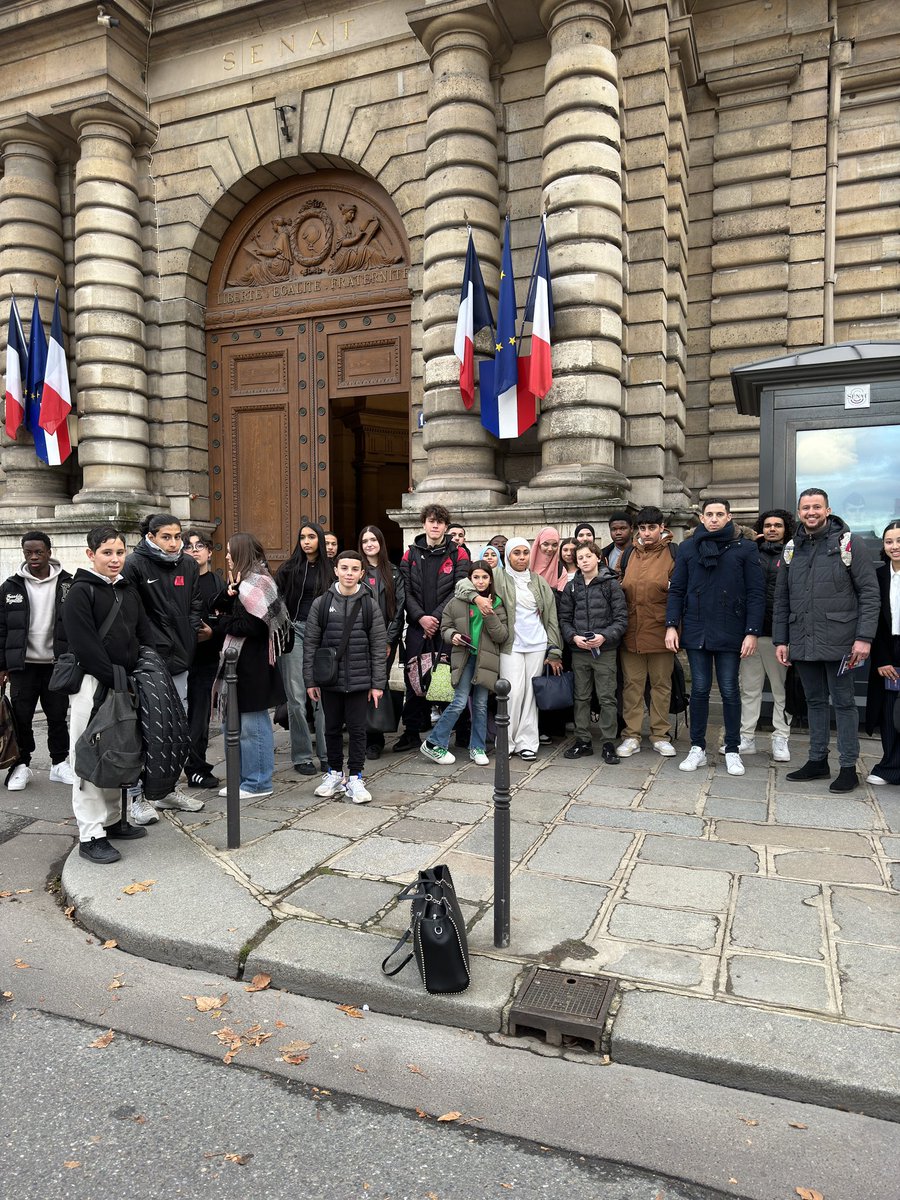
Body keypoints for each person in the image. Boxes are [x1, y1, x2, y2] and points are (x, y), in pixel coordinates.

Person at [773, 488, 879, 792]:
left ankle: (848, 767)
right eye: (805, 507)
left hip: (843, 641)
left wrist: (864, 638)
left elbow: (869, 594)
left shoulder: (849, 544)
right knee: (814, 701)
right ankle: (818, 760)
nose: (811, 512)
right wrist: (782, 639)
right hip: (803, 640)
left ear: (827, 510)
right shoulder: (792, 547)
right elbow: (782, 599)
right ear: (799, 512)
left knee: (844, 703)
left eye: (816, 507)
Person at [62, 525, 156, 864]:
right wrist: (115, 677)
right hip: (91, 684)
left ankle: (114, 821)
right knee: (89, 755)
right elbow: (85, 646)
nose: (115, 559)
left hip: (123, 683)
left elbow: (142, 632)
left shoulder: (129, 590)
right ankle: (90, 833)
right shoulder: (79, 592)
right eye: (107, 553)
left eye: (119, 552)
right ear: (91, 555)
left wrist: (146, 667)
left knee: (118, 750)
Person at [665, 498, 765, 777]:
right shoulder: (687, 548)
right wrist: (672, 625)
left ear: (729, 516)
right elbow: (677, 590)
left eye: (719, 514)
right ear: (701, 516)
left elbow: (756, 593)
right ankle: (697, 747)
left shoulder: (745, 548)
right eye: (709, 514)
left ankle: (732, 748)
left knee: (730, 690)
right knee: (698, 690)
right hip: (697, 629)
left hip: (731, 629)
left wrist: (751, 632)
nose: (714, 519)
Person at [121, 513, 205, 815]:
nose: (173, 543)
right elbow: (130, 612)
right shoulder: (134, 564)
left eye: (177, 536)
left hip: (181, 654)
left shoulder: (188, 565)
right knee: (143, 728)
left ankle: (166, 790)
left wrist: (190, 632)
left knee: (174, 728)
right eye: (166, 537)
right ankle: (136, 797)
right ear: (151, 536)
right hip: (148, 658)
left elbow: (195, 603)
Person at [212, 533, 292, 800]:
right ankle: (242, 779)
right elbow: (217, 607)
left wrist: (220, 625)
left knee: (252, 726)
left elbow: (253, 626)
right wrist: (227, 595)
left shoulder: (258, 582)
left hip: (254, 665)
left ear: (242, 553)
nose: (226, 555)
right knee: (234, 726)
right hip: (238, 664)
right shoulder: (241, 582)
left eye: (230, 551)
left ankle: (258, 782)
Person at [304, 550, 387, 803]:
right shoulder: (321, 603)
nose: (349, 573)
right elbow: (310, 644)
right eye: (344, 568)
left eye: (354, 569)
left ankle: (356, 777)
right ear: (336, 570)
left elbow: (378, 644)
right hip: (330, 679)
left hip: (361, 680)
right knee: (331, 728)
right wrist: (311, 680)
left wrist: (377, 684)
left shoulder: (369, 604)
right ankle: (334, 773)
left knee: (358, 730)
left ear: (362, 573)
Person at [0, 531, 75, 791]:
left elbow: (79, 624)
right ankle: (20, 765)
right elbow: (1, 628)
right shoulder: (10, 586)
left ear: (49, 552)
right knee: (22, 718)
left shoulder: (68, 584)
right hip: (23, 666)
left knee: (57, 717)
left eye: (38, 552)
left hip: (57, 666)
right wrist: (2, 665)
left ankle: (59, 763)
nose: (33, 557)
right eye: (28, 552)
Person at [394, 504, 469, 751]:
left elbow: (458, 589)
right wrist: (421, 618)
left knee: (446, 680)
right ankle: (412, 732)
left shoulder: (458, 554)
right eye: (430, 521)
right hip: (417, 626)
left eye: (440, 522)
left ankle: (455, 733)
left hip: (445, 627)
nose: (435, 525)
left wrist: (435, 618)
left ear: (446, 526)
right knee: (414, 680)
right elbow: (405, 590)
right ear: (424, 523)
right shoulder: (410, 554)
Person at [420, 560, 508, 766]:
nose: (480, 581)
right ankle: (433, 743)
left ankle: (477, 747)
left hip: (486, 660)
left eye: (484, 577)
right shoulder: (457, 601)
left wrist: (490, 615)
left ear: (490, 580)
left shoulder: (497, 603)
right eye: (476, 577)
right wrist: (454, 636)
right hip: (465, 657)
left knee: (480, 704)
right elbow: (445, 628)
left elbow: (502, 635)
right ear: (470, 579)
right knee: (459, 702)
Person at [493, 537, 563, 760]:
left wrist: (554, 650)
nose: (522, 557)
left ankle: (527, 742)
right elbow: (467, 584)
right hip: (511, 644)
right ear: (508, 556)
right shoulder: (498, 577)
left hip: (537, 644)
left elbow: (551, 617)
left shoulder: (539, 581)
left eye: (525, 553)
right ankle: (506, 741)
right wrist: (476, 597)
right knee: (512, 692)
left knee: (531, 694)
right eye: (517, 553)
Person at [558, 541, 628, 762]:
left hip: (604, 650)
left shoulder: (610, 585)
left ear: (598, 557)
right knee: (581, 696)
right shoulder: (572, 586)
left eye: (588, 556)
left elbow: (621, 619)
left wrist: (604, 636)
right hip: (580, 650)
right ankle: (583, 740)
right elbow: (564, 619)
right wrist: (574, 637)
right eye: (580, 558)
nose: (584, 561)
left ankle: (608, 742)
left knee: (607, 697)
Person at [616, 507, 677, 758]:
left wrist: (674, 626)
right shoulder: (629, 553)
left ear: (661, 527)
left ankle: (660, 735)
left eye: (652, 527)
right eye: (642, 528)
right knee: (632, 685)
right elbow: (620, 585)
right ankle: (631, 735)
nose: (647, 532)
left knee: (661, 685)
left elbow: (679, 592)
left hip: (662, 630)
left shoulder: (674, 553)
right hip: (631, 630)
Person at [735, 509, 795, 762]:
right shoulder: (751, 553)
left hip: (780, 635)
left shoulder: (794, 554)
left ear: (786, 529)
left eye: (778, 525)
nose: (772, 529)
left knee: (782, 690)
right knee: (749, 689)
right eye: (768, 525)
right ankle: (746, 737)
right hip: (751, 633)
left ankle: (781, 738)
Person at [275, 522, 332, 775]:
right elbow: (275, 599)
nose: (306, 541)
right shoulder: (289, 568)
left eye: (311, 537)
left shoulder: (331, 569)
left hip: (322, 634)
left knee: (323, 699)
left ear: (319, 539)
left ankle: (327, 754)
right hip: (294, 632)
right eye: (302, 537)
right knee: (296, 698)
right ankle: (301, 756)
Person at [181, 529, 225, 788]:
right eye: (188, 546)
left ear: (209, 551)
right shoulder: (176, 580)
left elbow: (227, 619)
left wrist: (213, 632)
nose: (194, 550)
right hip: (179, 658)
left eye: (199, 545)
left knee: (200, 716)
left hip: (207, 657)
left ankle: (196, 767)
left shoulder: (218, 583)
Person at [360, 525, 406, 759]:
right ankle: (364, 735)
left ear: (380, 543)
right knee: (363, 682)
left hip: (386, 638)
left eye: (373, 540)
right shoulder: (357, 571)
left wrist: (389, 639)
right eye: (365, 540)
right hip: (360, 638)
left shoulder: (394, 572)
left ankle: (375, 739)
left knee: (379, 681)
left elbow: (399, 609)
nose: (369, 544)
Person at [864, 520, 900, 786]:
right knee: (889, 712)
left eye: (899, 541)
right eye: (889, 541)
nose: (895, 546)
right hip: (888, 650)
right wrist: (882, 659)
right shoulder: (879, 576)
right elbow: (873, 620)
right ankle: (890, 766)